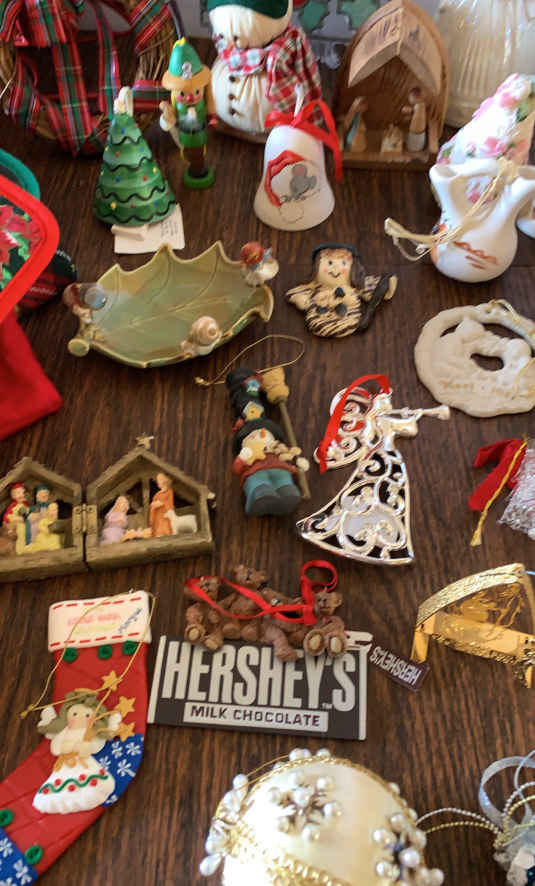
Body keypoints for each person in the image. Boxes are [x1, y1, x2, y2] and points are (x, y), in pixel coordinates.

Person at [33, 691, 120, 814]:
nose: (79, 718)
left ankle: (87, 795)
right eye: (74, 714)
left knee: (90, 781)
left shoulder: (90, 732)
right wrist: (66, 747)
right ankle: (59, 801)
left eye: (87, 715)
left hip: (84, 763)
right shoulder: (64, 731)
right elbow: (56, 748)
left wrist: (85, 747)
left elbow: (95, 746)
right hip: (65, 763)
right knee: (61, 783)